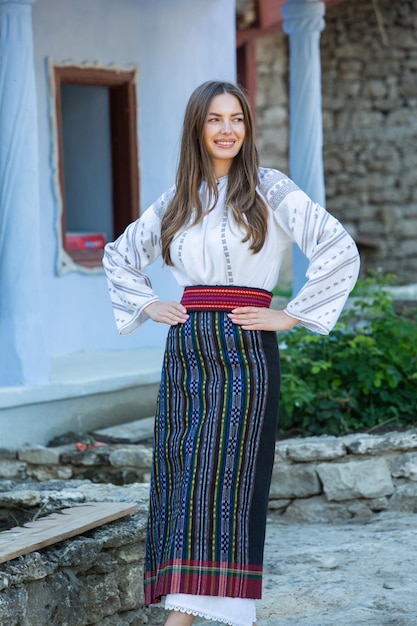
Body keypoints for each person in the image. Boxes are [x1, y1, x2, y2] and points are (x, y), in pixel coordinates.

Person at [103, 80, 360, 626]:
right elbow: (120, 258)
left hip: (246, 346)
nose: (227, 130)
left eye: (237, 119)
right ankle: (183, 607)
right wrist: (150, 305)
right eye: (216, 119)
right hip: (190, 348)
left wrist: (290, 314)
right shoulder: (176, 199)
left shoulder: (271, 189)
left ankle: (189, 617)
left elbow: (338, 248)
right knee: (181, 473)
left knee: (230, 478)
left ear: (247, 128)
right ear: (198, 127)